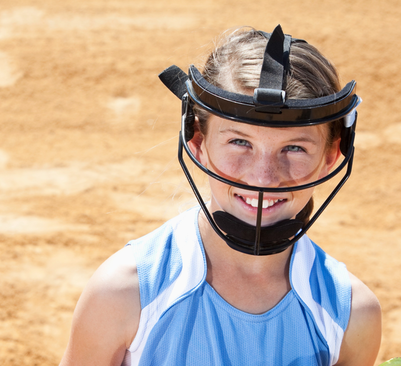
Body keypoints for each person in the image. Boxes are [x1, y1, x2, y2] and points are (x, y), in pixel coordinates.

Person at [60, 25, 382, 366]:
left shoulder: (351, 315)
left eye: (294, 148)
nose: (263, 177)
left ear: (331, 156)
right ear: (198, 143)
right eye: (240, 142)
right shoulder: (125, 294)